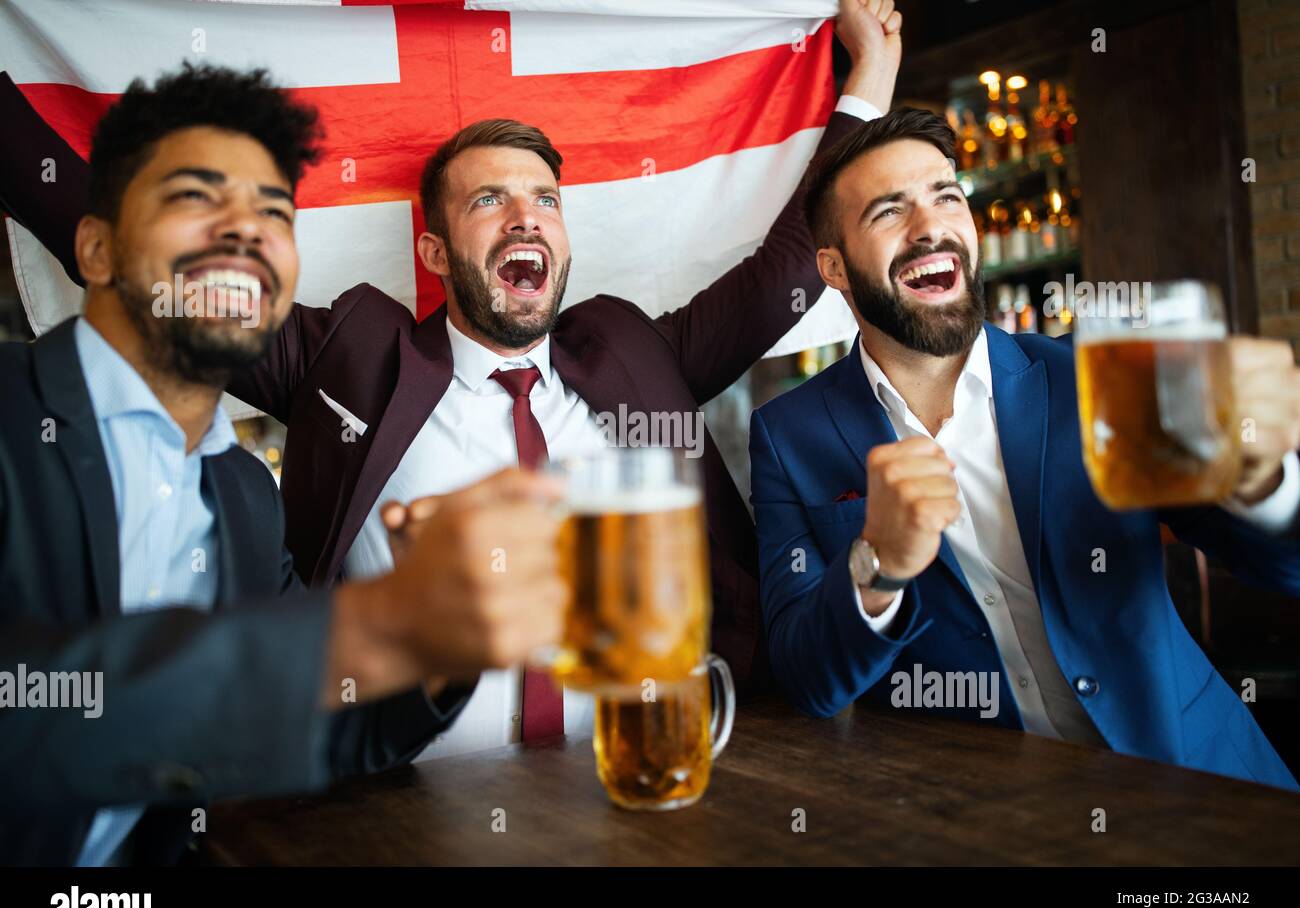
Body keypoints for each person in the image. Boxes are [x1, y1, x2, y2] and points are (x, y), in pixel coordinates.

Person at [0, 1, 906, 756]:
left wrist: (867, 75)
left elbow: (786, 274)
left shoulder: (632, 353)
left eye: (545, 199)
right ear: (433, 251)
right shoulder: (352, 358)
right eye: (490, 200)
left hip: (652, 788)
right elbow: (158, 277)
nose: (527, 216)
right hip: (403, 804)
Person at [0, 64, 568, 865]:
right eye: (196, 197)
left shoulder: (241, 495)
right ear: (94, 247)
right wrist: (373, 628)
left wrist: (442, 646)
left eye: (273, 211)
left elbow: (326, 726)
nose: (248, 232)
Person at [749, 107, 1300, 789]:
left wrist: (1262, 481)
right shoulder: (787, 434)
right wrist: (878, 565)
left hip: (1196, 780)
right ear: (832, 266)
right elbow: (808, 681)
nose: (931, 228)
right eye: (889, 212)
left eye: (947, 197)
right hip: (999, 822)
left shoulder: (1093, 379)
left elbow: (1285, 567)